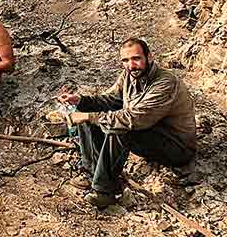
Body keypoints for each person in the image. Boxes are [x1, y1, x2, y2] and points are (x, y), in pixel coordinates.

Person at [58, 38, 197, 209]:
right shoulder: (129, 75)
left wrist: (88, 116)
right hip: (150, 132)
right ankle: (92, 173)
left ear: (149, 57)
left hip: (177, 146)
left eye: (136, 59)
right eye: (125, 60)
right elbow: (110, 100)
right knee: (89, 119)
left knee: (119, 127)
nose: (131, 65)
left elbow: (132, 119)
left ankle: (104, 192)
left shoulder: (165, 83)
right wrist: (80, 101)